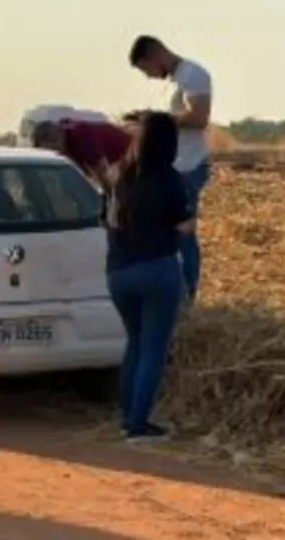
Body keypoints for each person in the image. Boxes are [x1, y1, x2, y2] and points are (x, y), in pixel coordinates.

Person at [103, 111, 194, 443]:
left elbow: (109, 221)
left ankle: (127, 415)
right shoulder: (171, 179)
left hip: (118, 272)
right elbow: (184, 225)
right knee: (154, 348)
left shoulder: (121, 177)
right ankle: (138, 424)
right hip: (157, 268)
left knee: (135, 343)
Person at [127, 35, 213, 303]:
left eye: (146, 70)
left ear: (154, 56)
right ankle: (175, 293)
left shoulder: (193, 75)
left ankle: (187, 296)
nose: (150, 77)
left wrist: (156, 121)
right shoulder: (179, 79)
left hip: (188, 167)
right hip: (174, 166)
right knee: (168, 234)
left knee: (182, 234)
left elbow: (199, 118)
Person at [31, 119, 132, 191]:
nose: (53, 154)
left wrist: (109, 197)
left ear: (54, 139)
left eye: (49, 149)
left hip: (129, 156)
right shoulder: (65, 145)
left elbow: (104, 174)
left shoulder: (80, 137)